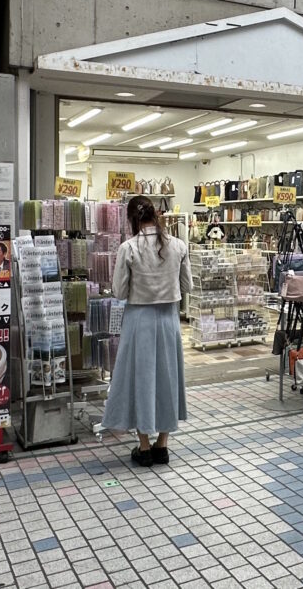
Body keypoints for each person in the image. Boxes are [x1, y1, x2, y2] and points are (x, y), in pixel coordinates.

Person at [102, 195, 191, 466]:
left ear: (132, 218)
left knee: (140, 380)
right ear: (157, 215)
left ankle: (143, 448)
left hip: (138, 320)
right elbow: (186, 286)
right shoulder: (178, 245)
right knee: (168, 378)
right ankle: (162, 445)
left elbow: (119, 291)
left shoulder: (128, 248)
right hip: (168, 321)